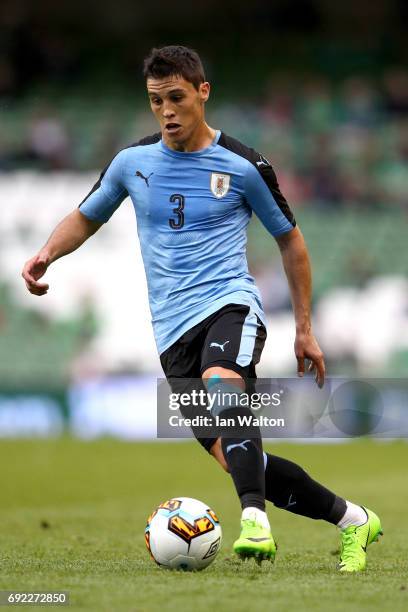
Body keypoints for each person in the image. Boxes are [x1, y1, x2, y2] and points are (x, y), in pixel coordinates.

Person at [22, 45, 382, 571]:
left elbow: (292, 241)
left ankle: (254, 520)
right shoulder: (132, 163)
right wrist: (46, 254)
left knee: (222, 380)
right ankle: (354, 520)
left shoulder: (242, 165)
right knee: (244, 461)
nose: (166, 111)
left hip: (230, 305)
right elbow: (86, 215)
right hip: (171, 333)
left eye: (176, 97)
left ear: (202, 93)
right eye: (155, 101)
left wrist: (304, 328)